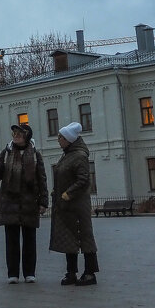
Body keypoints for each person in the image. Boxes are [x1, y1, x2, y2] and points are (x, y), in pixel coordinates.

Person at [0, 123, 48, 283]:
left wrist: (43, 202)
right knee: (11, 240)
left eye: (19, 133)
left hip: (29, 202)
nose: (16, 135)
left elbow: (42, 179)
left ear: (27, 136)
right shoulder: (6, 153)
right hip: (9, 202)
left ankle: (29, 273)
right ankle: (13, 274)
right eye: (14, 133)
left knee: (29, 240)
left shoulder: (35, 155)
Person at [49, 122, 99, 286]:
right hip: (66, 205)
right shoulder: (67, 154)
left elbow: (84, 180)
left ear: (69, 139)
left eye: (60, 137)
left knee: (85, 237)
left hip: (77, 206)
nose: (58, 140)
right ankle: (71, 272)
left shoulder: (79, 156)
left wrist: (67, 194)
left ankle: (90, 273)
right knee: (69, 237)